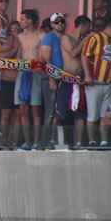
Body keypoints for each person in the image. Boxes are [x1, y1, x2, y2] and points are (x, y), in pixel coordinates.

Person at [14, 9, 44, 150]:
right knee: (23, 108)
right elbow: (18, 57)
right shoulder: (19, 36)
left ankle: (37, 142)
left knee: (36, 109)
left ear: (31, 20)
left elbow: (44, 57)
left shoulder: (42, 36)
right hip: (22, 72)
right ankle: (27, 142)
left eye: (23, 19)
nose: (21, 21)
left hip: (37, 72)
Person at [61, 15, 92, 148]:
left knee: (81, 113)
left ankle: (78, 142)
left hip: (80, 81)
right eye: (88, 27)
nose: (88, 30)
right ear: (81, 26)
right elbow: (73, 53)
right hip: (68, 79)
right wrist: (85, 41)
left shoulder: (84, 41)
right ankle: (57, 141)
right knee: (61, 112)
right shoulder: (66, 38)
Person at [81, 18, 111, 147]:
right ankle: (92, 141)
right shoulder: (95, 38)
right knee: (93, 115)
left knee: (106, 115)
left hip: (109, 85)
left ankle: (104, 141)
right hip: (94, 83)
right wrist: (87, 75)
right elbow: (84, 55)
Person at [39, 12, 67, 149]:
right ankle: (45, 143)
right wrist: (51, 79)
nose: (60, 24)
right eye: (57, 22)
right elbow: (45, 60)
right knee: (50, 112)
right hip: (50, 78)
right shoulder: (49, 37)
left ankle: (55, 140)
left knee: (59, 111)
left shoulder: (65, 38)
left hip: (64, 79)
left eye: (62, 22)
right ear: (51, 24)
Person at [0, 20, 21, 148]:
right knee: (6, 113)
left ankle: (15, 141)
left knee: (18, 114)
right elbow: (1, 58)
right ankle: (4, 140)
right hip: (7, 81)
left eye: (18, 28)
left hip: (19, 81)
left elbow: (19, 60)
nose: (16, 31)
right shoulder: (7, 42)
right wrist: (16, 47)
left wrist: (18, 47)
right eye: (14, 29)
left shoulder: (22, 40)